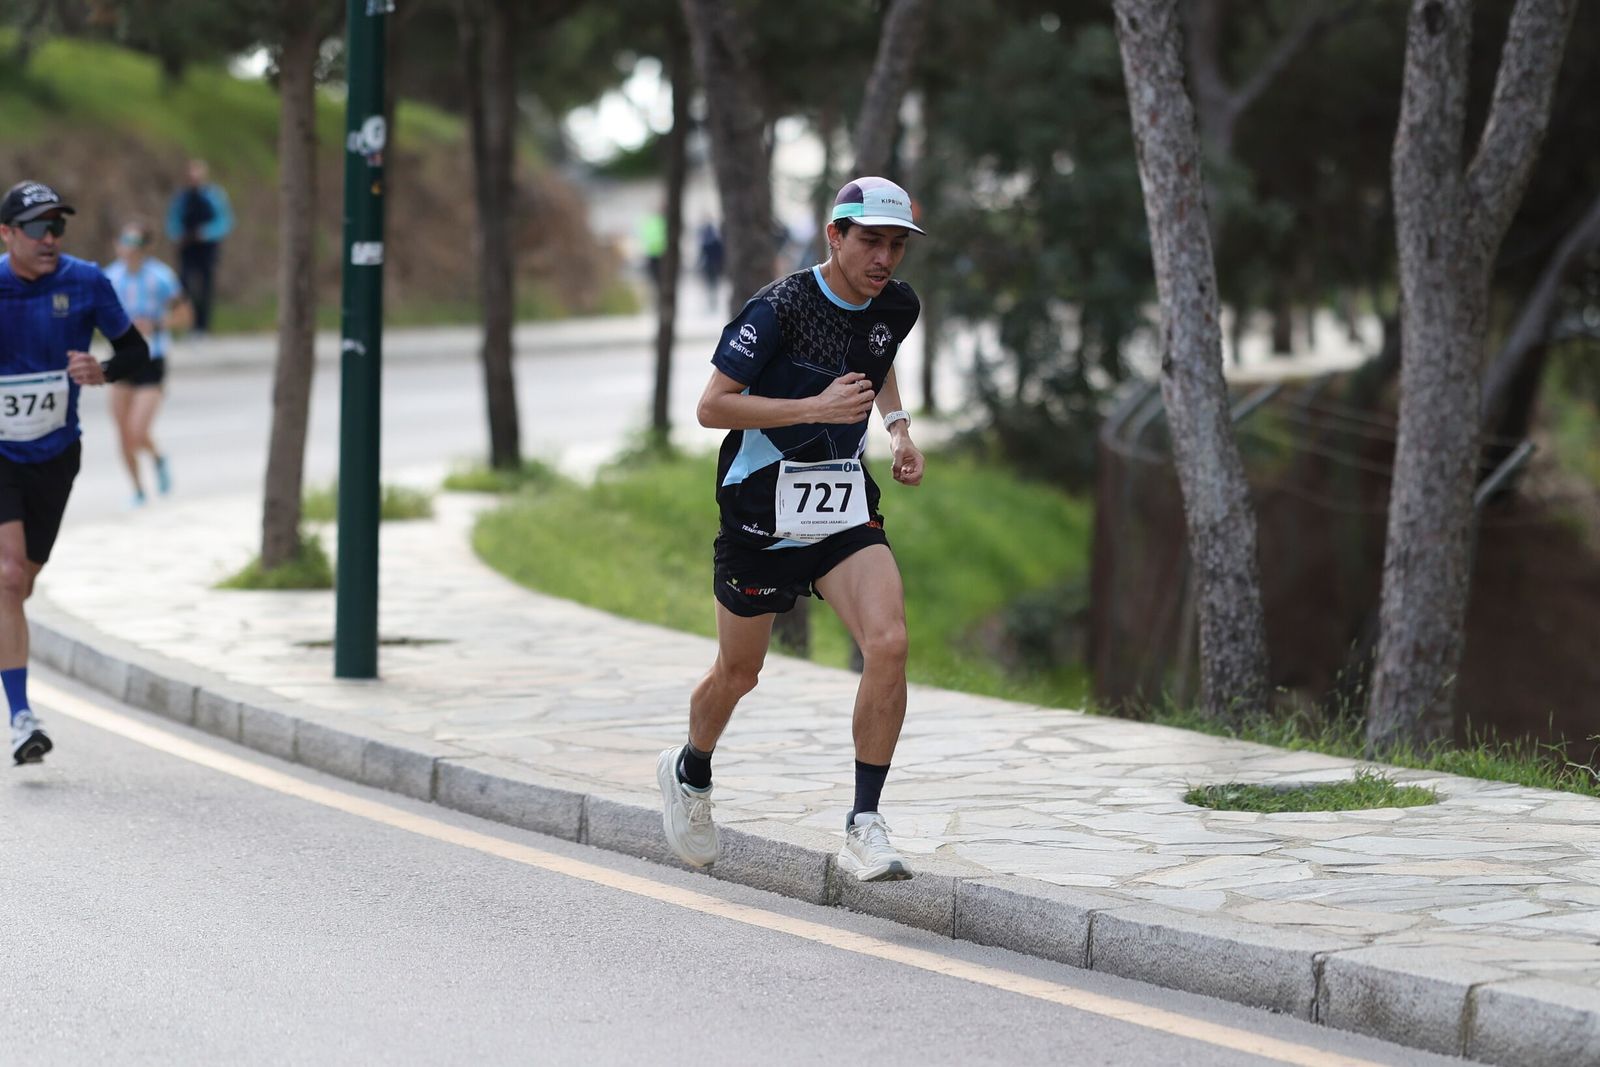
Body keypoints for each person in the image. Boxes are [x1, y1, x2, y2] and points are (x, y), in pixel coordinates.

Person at [658, 176, 927, 882]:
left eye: (896, 244)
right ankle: (690, 770)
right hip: (760, 513)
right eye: (870, 240)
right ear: (834, 236)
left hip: (839, 510)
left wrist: (897, 428)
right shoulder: (778, 308)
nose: (884, 258)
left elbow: (876, 355)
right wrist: (814, 407)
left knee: (889, 642)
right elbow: (713, 407)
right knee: (740, 672)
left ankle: (865, 821)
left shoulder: (896, 303)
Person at [0, 181, 151, 764]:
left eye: (57, 227)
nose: (50, 239)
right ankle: (20, 719)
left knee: (21, 583)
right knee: (9, 576)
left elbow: (136, 352)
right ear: (7, 234)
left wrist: (102, 370)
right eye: (37, 228)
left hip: (56, 455)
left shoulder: (86, 281)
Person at [103, 220, 190, 507]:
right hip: (120, 359)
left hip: (152, 360)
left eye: (135, 244)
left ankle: (158, 458)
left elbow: (184, 315)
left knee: (138, 431)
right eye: (124, 242)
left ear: (146, 248)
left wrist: (156, 323)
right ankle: (138, 490)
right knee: (122, 432)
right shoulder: (109, 277)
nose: (128, 250)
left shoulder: (161, 277)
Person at [164, 158, 233, 335]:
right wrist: (179, 235)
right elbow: (173, 221)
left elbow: (224, 221)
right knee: (184, 284)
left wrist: (206, 233)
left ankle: (203, 326)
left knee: (206, 286)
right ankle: (187, 323)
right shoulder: (182, 197)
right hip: (187, 247)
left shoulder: (214, 195)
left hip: (207, 248)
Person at [695, 220, 724, 313]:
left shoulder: (706, 242)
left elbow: (702, 255)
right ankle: (712, 302)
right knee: (713, 285)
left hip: (709, 266)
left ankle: (711, 302)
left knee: (710, 285)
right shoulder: (716, 241)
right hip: (714, 266)